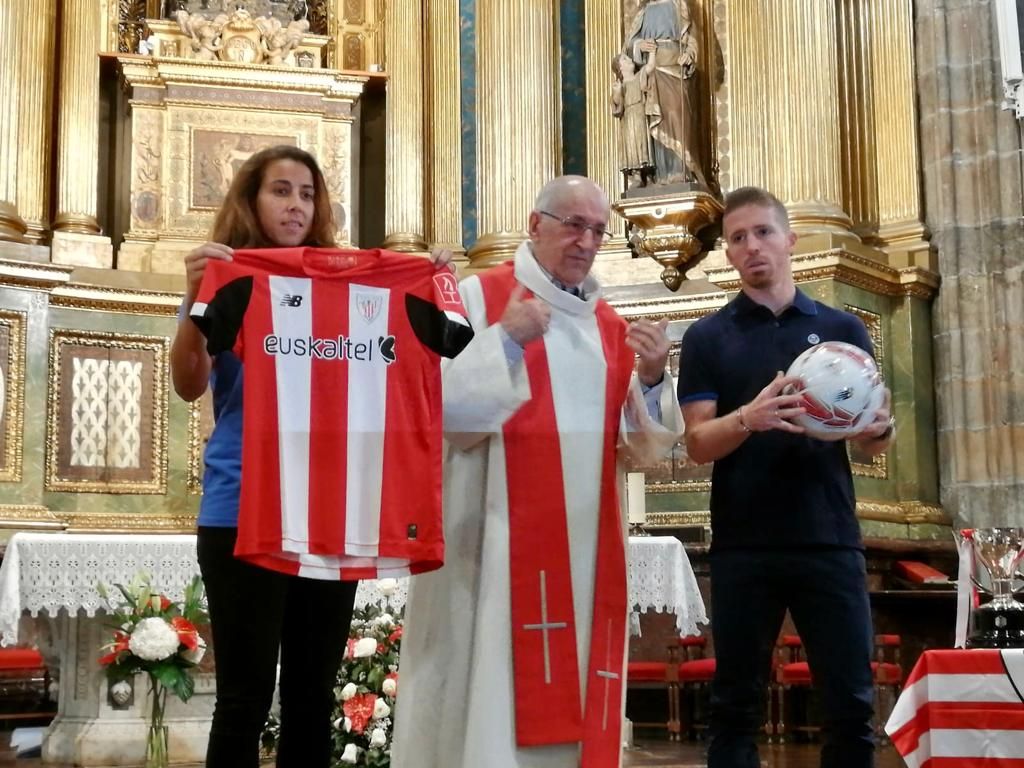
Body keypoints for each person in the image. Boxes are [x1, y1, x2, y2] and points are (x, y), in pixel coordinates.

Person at [392, 175, 683, 768]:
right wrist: (504, 341)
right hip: (488, 540)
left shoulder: (610, 328)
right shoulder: (479, 298)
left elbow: (639, 447)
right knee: (485, 681)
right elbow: (436, 409)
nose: (586, 241)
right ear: (535, 225)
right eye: (573, 225)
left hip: (582, 555)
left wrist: (653, 380)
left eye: (598, 230)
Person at [676, 186, 894, 768]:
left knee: (849, 706)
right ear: (728, 253)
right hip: (745, 544)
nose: (752, 247)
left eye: (763, 232)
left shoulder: (842, 329)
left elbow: (873, 444)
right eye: (738, 238)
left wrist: (880, 424)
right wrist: (750, 417)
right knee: (734, 707)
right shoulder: (706, 338)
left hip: (829, 538)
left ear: (789, 239)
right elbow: (698, 445)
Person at [169, 145, 355, 768]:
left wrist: (435, 274)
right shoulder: (225, 280)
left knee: (311, 696)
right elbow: (190, 383)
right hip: (242, 504)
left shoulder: (345, 284)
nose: (296, 205)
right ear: (250, 200)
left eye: (307, 193)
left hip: (328, 507)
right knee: (244, 697)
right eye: (281, 191)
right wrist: (194, 302)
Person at [623, 0, 706, 187]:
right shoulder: (644, 11)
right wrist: (639, 46)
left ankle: (681, 170)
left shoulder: (679, 6)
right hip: (652, 72)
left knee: (677, 114)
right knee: (655, 120)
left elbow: (691, 39)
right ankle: (661, 175)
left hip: (675, 70)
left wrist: (690, 55)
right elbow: (628, 47)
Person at [611, 52, 656, 189]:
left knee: (644, 143)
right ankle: (637, 175)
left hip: (641, 114)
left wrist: (652, 51)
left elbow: (650, 67)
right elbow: (617, 107)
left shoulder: (639, 76)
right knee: (632, 146)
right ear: (620, 68)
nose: (630, 59)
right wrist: (618, 92)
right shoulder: (620, 85)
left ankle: (648, 175)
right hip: (629, 119)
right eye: (625, 59)